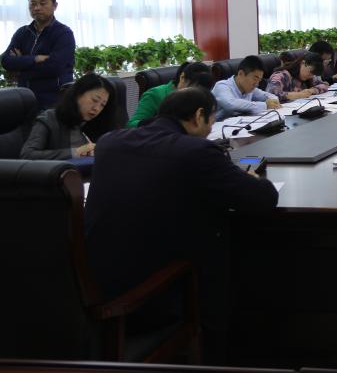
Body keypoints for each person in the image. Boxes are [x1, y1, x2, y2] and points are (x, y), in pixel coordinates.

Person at [85, 87, 279, 363]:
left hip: (98, 289)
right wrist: (252, 179)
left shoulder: (109, 142)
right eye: (211, 121)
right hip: (149, 301)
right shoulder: (197, 151)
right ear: (199, 115)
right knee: (222, 247)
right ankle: (221, 357)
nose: (210, 130)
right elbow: (263, 198)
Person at [1, 0, 76, 109]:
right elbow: (6, 61)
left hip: (53, 101)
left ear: (55, 6)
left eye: (42, 3)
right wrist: (35, 59)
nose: (37, 8)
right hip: (25, 99)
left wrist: (20, 67)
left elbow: (55, 67)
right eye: (33, 4)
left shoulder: (64, 33)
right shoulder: (22, 32)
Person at [21, 73, 118, 160]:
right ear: (78, 94)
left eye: (102, 105)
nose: (97, 108)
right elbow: (28, 154)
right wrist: (75, 152)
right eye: (94, 100)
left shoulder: (98, 123)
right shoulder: (50, 118)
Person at [127, 62, 213, 128]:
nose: (196, 95)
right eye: (194, 89)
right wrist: (160, 122)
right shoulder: (155, 94)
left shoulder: (201, 96)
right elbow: (131, 125)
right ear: (182, 78)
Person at [211, 55, 281, 120]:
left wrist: (274, 101)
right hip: (217, 127)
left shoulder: (250, 89)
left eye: (259, 80)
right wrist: (264, 105)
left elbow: (268, 96)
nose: (257, 84)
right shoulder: (222, 86)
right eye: (255, 79)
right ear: (241, 74)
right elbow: (231, 104)